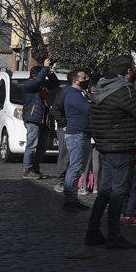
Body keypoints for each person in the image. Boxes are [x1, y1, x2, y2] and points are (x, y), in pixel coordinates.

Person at [85, 55, 136, 249]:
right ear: (127, 71)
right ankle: (113, 234)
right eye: (133, 67)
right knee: (118, 192)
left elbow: (91, 117)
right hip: (121, 145)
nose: (135, 71)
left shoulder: (101, 87)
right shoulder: (124, 90)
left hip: (106, 146)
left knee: (106, 191)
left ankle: (93, 231)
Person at [22, 59, 61, 179]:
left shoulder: (42, 86)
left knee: (43, 146)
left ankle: (35, 168)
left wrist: (51, 74)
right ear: (35, 75)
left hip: (45, 118)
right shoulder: (28, 85)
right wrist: (45, 68)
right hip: (33, 117)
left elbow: (56, 84)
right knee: (31, 145)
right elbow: (38, 80)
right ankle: (27, 170)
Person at [60, 69, 91, 213]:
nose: (87, 80)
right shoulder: (73, 95)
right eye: (84, 78)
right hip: (76, 134)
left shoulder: (78, 93)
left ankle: (73, 198)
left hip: (82, 133)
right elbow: (88, 109)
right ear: (75, 81)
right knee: (75, 168)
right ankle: (69, 200)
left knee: (78, 168)